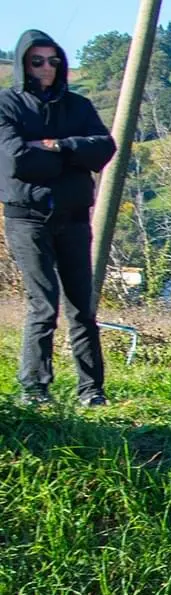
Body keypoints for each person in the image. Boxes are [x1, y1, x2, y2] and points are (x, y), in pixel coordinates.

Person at [0, 29, 116, 407]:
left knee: (82, 307)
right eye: (37, 61)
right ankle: (35, 389)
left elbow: (103, 149)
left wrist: (58, 146)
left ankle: (92, 390)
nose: (46, 68)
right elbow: (17, 160)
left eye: (53, 60)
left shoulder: (78, 106)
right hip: (27, 218)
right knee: (43, 305)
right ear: (23, 64)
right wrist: (73, 157)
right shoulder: (6, 106)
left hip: (75, 216)